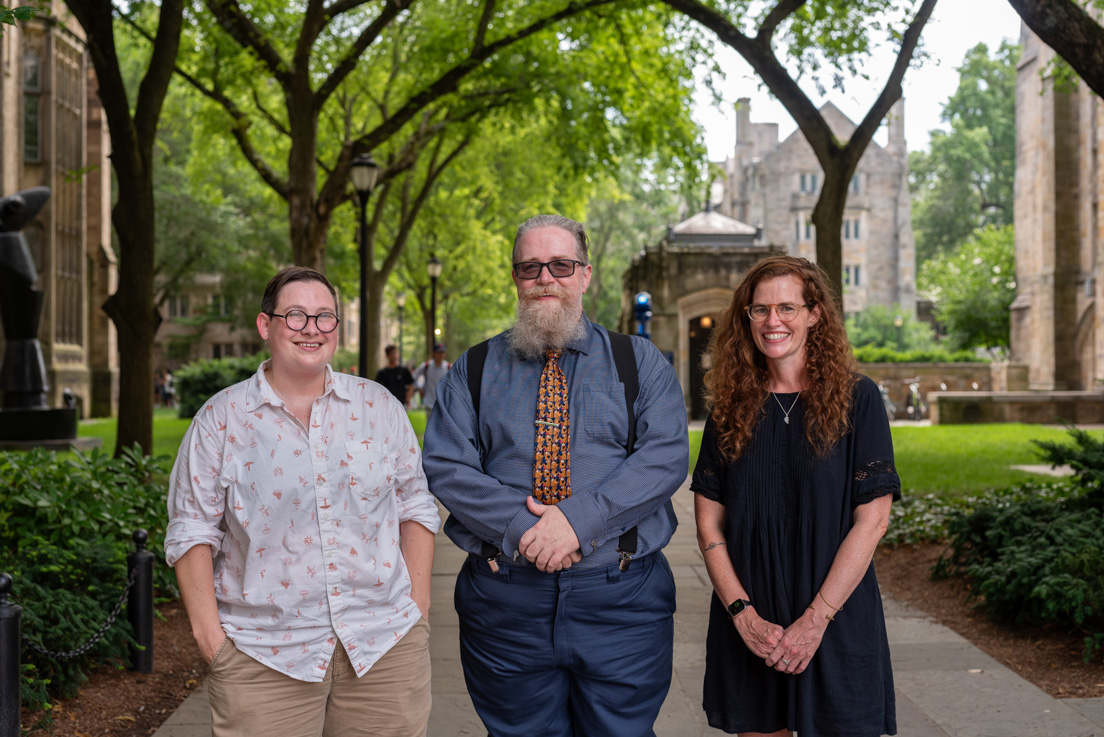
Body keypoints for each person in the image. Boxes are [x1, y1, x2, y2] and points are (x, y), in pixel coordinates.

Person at [422, 214, 689, 737]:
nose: (546, 278)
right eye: (530, 267)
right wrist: (526, 530)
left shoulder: (640, 363)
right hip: (507, 608)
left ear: (585, 274)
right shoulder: (471, 371)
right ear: (516, 278)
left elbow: (664, 457)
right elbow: (446, 467)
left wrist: (577, 522)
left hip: (622, 604)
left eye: (561, 265)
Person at [164, 267, 440, 737]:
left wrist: (418, 607)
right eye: (295, 316)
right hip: (263, 659)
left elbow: (415, 506)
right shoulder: (221, 420)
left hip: (384, 651)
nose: (311, 328)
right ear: (264, 325)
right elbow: (191, 530)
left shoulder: (379, 409)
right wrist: (212, 642)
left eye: (324, 316)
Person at [690, 255, 899, 737]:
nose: (772, 321)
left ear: (814, 314)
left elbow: (872, 522)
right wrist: (743, 616)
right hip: (752, 619)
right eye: (759, 310)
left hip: (835, 612)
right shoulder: (730, 406)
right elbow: (708, 527)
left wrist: (814, 621)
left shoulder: (858, 399)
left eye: (787, 307)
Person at [412, 343, 449, 412]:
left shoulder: (449, 367)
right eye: (439, 352)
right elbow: (414, 376)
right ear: (434, 353)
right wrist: (418, 388)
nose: (441, 355)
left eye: (443, 352)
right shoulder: (426, 366)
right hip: (429, 402)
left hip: (444, 403)